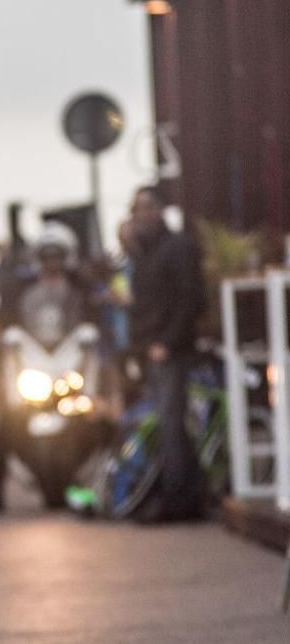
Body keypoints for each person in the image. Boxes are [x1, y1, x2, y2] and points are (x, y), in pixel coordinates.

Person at [0, 222, 88, 513]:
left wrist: (91, 336)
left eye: (57, 257)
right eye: (47, 257)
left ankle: (96, 485)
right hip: (36, 363)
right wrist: (8, 337)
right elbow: (9, 320)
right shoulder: (23, 290)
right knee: (6, 422)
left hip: (67, 365)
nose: (52, 263)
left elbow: (90, 321)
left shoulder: (79, 289)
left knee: (95, 419)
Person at [129, 186, 206, 522]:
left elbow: (191, 299)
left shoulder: (177, 247)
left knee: (172, 424)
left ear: (161, 209)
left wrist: (168, 343)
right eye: (136, 208)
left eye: (147, 207)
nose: (141, 214)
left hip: (171, 351)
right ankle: (186, 494)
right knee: (168, 425)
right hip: (154, 348)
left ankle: (179, 500)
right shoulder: (147, 251)